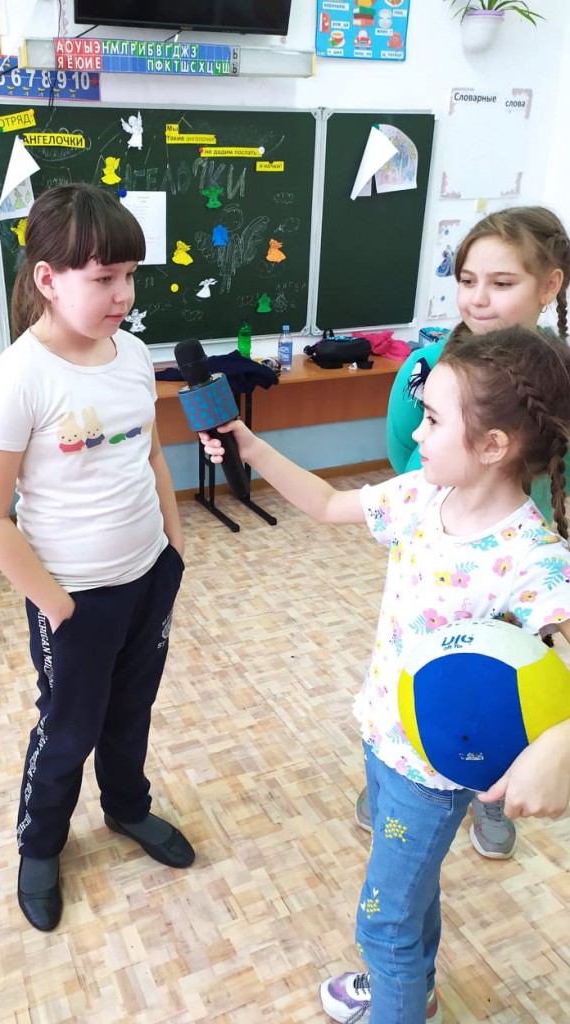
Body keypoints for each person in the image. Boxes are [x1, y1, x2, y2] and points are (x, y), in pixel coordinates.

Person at [200, 326, 570, 1023]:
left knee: (384, 924)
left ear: (494, 445)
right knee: (413, 897)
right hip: (381, 735)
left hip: (431, 777)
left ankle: (399, 999)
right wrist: (251, 446)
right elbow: (326, 504)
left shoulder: (533, 557)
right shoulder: (423, 496)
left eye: (431, 419)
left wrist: (563, 743)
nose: (415, 431)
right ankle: (417, 993)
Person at [0, 184, 194, 933]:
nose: (122, 295)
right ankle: (40, 845)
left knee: (131, 711)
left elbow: (150, 455)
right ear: (48, 279)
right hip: (74, 598)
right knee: (69, 729)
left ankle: (127, 808)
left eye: (129, 275)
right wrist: (58, 606)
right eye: (103, 278)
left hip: (148, 575)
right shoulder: (15, 380)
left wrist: (173, 547)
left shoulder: (134, 355)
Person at [357, 205, 570, 861]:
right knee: (436, 676)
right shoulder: (426, 370)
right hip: (444, 573)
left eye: (501, 283)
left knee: (503, 686)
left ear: (550, 286)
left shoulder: (559, 383)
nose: (478, 299)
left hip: (520, 577)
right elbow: (407, 463)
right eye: (467, 280)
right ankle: (407, 767)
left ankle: (488, 785)